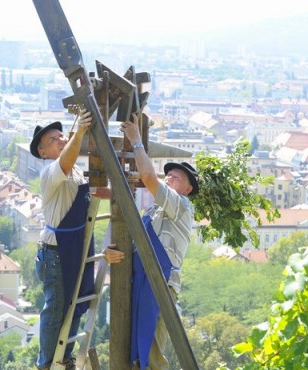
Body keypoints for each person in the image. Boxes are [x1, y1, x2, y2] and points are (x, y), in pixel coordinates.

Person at [31, 110, 123, 370]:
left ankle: (65, 355)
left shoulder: (75, 173)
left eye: (62, 136)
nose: (61, 140)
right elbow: (65, 163)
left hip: (74, 249)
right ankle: (47, 363)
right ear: (43, 151)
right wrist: (80, 131)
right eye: (54, 139)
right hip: (56, 252)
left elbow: (96, 191)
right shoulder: (50, 172)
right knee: (57, 308)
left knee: (74, 303)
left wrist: (124, 193)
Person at [120, 114, 199, 370]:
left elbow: (148, 178)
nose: (169, 179)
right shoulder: (154, 211)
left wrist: (136, 141)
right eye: (169, 176)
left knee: (153, 355)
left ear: (188, 189)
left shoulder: (182, 205)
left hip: (160, 283)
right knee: (134, 350)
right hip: (142, 282)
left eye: (176, 178)